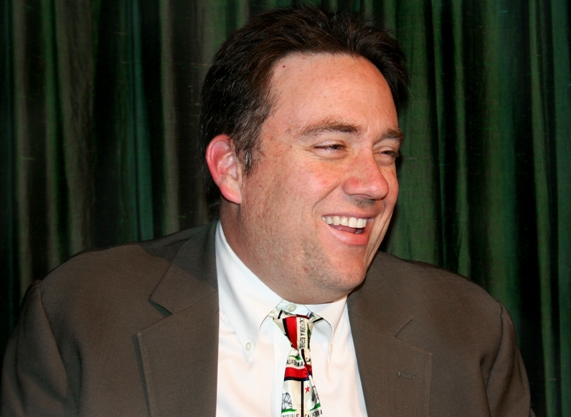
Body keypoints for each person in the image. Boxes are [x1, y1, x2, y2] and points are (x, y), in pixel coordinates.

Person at [2, 6, 533, 417]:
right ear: (231, 168)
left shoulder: (470, 331)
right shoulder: (81, 318)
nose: (375, 184)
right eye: (332, 146)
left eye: (387, 152)